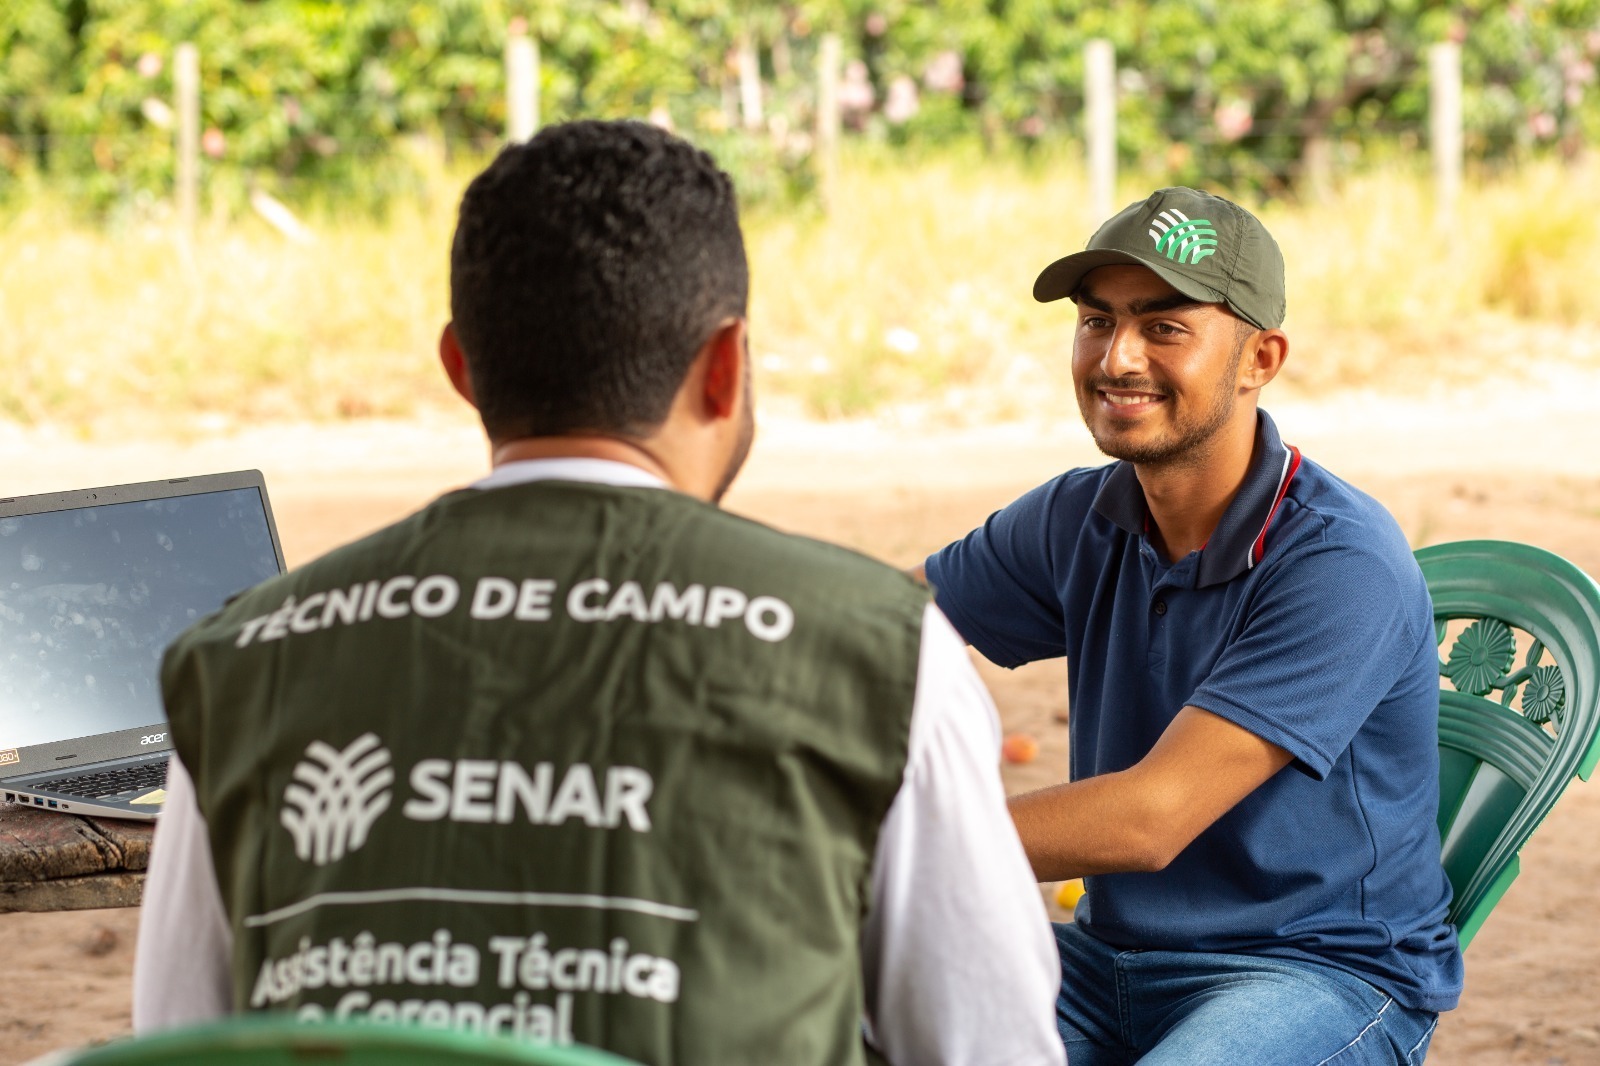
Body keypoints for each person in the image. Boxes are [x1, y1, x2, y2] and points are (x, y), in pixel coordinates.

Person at [132, 120, 1065, 1066]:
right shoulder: (880, 651)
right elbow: (992, 1046)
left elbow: (178, 1044)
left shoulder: (236, 664)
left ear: (460, 368)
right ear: (726, 366)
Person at [918, 188, 1464, 1064]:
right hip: (1103, 964)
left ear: (1260, 359)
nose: (1117, 357)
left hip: (1312, 973)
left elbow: (1149, 818)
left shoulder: (1339, 561)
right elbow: (879, 624)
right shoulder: (1079, 517)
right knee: (817, 1000)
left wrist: (883, 837)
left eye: (1165, 327)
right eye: (1097, 321)